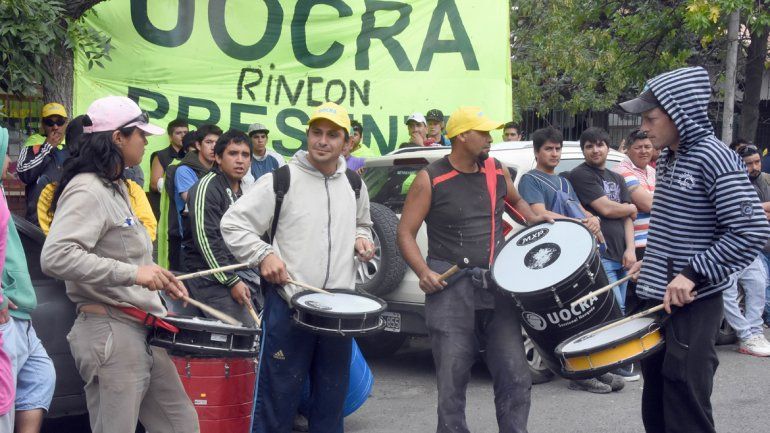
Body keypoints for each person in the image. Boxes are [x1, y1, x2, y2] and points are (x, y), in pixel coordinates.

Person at [620, 66, 770, 433]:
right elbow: (680, 228)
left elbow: (751, 230)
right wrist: (652, 264)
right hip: (659, 300)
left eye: (651, 117)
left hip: (694, 305)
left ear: (679, 112)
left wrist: (692, 273)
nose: (644, 126)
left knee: (685, 405)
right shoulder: (670, 157)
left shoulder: (713, 157)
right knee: (656, 402)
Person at [40, 96, 199, 433]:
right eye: (140, 133)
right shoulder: (87, 189)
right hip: (111, 333)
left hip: (143, 327)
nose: (146, 140)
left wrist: (157, 278)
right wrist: (134, 274)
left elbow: (126, 256)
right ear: (117, 137)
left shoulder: (119, 188)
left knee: (182, 424)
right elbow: (56, 256)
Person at [220, 102, 375, 433]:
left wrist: (361, 239)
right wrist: (263, 255)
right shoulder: (281, 179)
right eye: (316, 133)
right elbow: (233, 224)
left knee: (331, 405)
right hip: (289, 306)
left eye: (333, 135)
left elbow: (363, 223)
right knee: (277, 402)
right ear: (307, 136)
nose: (322, 141)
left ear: (347, 143)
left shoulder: (354, 183)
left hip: (338, 311)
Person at [397, 106, 550, 433]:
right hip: (450, 289)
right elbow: (405, 232)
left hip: (497, 286)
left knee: (515, 374)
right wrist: (423, 271)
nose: (490, 139)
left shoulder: (496, 170)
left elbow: (517, 203)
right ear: (462, 135)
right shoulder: (431, 178)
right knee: (453, 378)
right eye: (483, 133)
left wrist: (534, 217)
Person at [517, 126, 623, 394]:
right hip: (551, 261)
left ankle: (596, 366)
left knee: (588, 314)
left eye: (557, 149)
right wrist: (581, 222)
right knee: (568, 317)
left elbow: (579, 208)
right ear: (536, 151)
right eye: (548, 149)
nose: (554, 153)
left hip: (576, 258)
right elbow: (541, 214)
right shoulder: (531, 180)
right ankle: (578, 374)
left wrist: (592, 219)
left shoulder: (563, 181)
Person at [1, 125, 55, 433]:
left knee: (40, 377)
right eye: (4, 151)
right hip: (5, 315)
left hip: (20, 313)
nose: (8, 161)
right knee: (4, 405)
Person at [36, 117, 157, 241]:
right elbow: (60, 247)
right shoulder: (60, 190)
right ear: (117, 139)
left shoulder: (129, 188)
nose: (145, 142)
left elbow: (147, 232)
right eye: (142, 135)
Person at [183, 129, 255, 326]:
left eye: (245, 155)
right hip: (209, 277)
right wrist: (230, 280)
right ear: (218, 157)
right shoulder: (206, 187)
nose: (240, 160)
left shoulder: (247, 191)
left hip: (240, 273)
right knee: (247, 331)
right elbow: (206, 239)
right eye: (233, 153)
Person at [570, 128, 637, 315]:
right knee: (616, 308)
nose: (595, 150)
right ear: (583, 151)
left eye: (600, 145)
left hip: (623, 255)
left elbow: (627, 219)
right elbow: (606, 208)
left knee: (622, 306)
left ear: (608, 148)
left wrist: (630, 250)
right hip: (600, 254)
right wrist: (631, 207)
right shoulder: (581, 174)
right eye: (589, 146)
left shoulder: (617, 178)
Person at [720, 144, 770, 355]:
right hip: (727, 245)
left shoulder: (761, 180)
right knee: (727, 291)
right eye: (748, 164)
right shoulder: (728, 182)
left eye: (756, 162)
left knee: (759, 285)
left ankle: (755, 332)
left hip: (750, 246)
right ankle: (746, 335)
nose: (753, 167)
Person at [613, 129, 656, 314]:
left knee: (652, 299)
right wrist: (659, 198)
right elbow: (647, 204)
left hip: (655, 242)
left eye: (648, 147)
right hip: (636, 245)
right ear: (628, 149)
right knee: (638, 298)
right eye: (638, 147)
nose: (644, 151)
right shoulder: (623, 171)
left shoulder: (653, 171)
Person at [175, 124, 221, 268]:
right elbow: (194, 201)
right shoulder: (184, 170)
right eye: (208, 142)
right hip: (191, 241)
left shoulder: (220, 170)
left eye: (217, 143)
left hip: (215, 238)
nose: (214, 147)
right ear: (198, 145)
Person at [16, 103, 69, 225]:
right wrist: (47, 147)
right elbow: (24, 173)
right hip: (38, 218)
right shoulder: (33, 143)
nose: (55, 127)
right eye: (50, 122)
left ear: (66, 123)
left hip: (65, 217)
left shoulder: (71, 145)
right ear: (43, 125)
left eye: (60, 122)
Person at [158, 131, 199, 270]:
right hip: (181, 234)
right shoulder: (179, 168)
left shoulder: (213, 168)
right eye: (195, 149)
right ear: (187, 149)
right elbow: (192, 200)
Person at [149, 118, 189, 218]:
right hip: (166, 212)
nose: (183, 136)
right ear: (170, 137)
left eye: (185, 132)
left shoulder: (193, 155)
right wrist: (181, 190)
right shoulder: (161, 155)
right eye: (178, 133)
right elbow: (154, 184)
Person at [240, 123, 285, 193]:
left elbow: (284, 184)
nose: (260, 140)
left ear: (267, 139)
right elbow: (247, 186)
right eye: (256, 137)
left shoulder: (278, 158)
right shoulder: (244, 159)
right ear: (249, 140)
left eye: (263, 137)